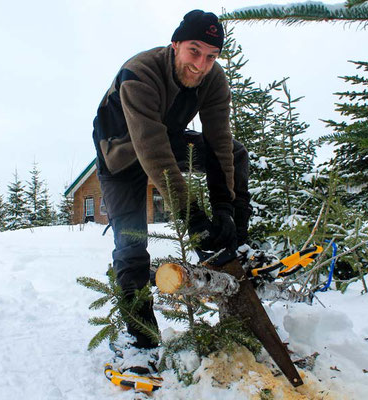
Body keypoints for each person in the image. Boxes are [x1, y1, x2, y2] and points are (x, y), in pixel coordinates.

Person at [92, 10, 251, 355]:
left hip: (164, 138)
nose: (201, 64)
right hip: (119, 154)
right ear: (175, 44)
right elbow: (155, 155)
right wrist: (194, 218)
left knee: (235, 153)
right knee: (131, 245)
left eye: (211, 56)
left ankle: (236, 245)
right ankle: (140, 341)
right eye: (194, 51)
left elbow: (219, 143)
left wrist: (225, 209)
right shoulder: (140, 73)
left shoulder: (213, 79)